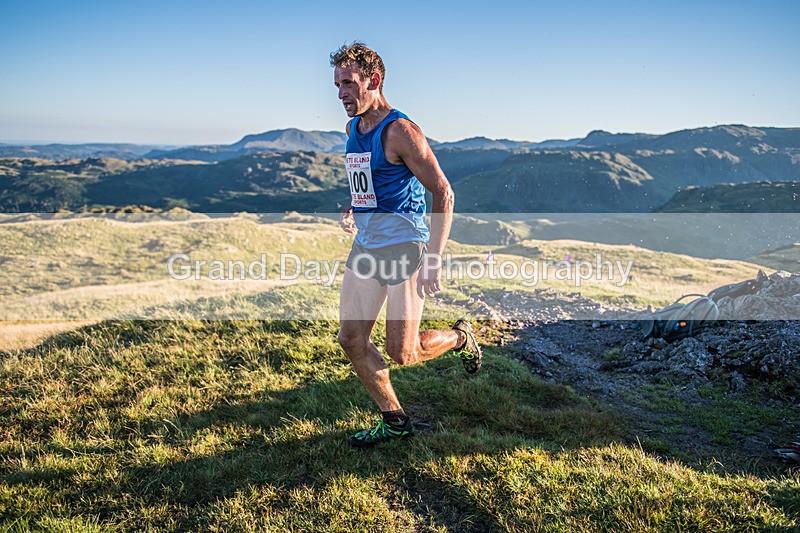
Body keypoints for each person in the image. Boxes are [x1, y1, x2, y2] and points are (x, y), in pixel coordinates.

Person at [330, 42, 482, 447]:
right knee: (351, 340)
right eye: (337, 85)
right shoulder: (352, 130)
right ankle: (394, 420)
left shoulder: (401, 131)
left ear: (373, 81)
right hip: (367, 246)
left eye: (349, 83)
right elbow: (371, 185)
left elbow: (444, 192)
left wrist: (434, 259)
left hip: (405, 247)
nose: (341, 93)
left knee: (404, 351)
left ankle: (460, 337)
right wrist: (354, 209)